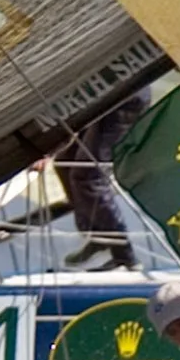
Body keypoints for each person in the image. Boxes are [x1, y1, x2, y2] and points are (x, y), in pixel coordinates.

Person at [60, 92, 146, 270]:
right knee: (64, 161)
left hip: (122, 98)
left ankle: (125, 257)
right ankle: (98, 236)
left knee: (89, 177)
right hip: (99, 96)